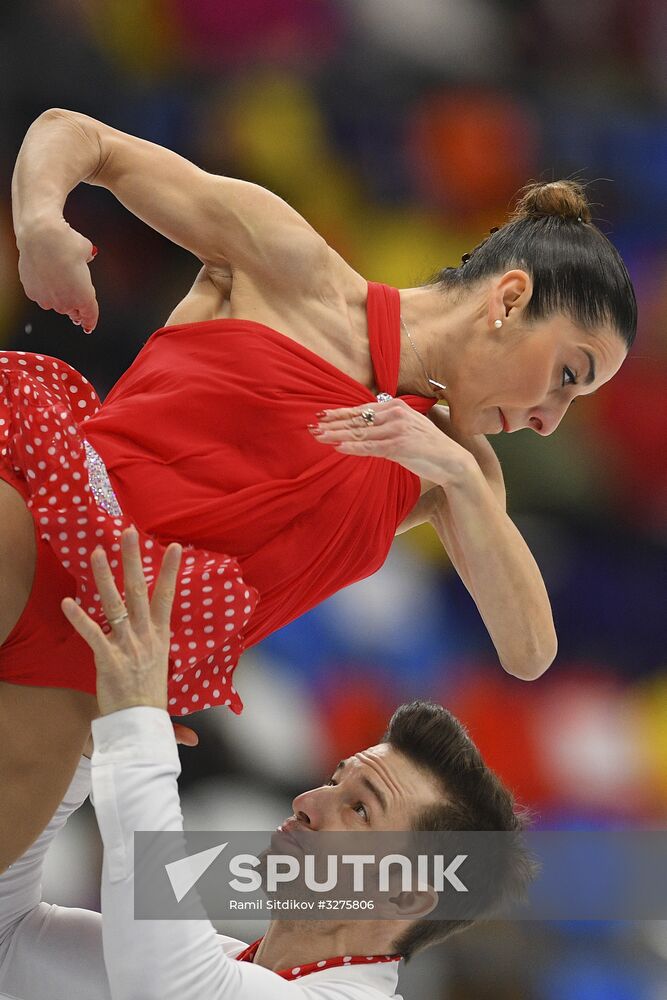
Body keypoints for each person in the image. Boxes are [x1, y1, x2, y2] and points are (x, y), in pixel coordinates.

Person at [1, 107, 636, 872]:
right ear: (506, 299)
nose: (548, 421)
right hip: (29, 534)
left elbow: (529, 652)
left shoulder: (447, 470)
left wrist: (461, 477)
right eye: (568, 375)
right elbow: (83, 138)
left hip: (85, 672)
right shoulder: (292, 268)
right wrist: (39, 219)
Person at [0, 532, 536, 1000]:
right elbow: (9, 938)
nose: (308, 803)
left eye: (360, 809)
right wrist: (82, 753)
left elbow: (168, 988)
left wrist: (134, 725)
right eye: (333, 779)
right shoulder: (229, 967)